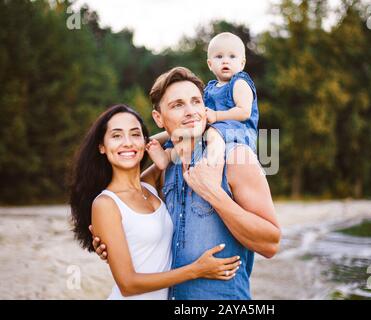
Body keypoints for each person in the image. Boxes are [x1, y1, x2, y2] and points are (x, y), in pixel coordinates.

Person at [92, 67, 281, 300]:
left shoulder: (235, 158)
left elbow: (270, 243)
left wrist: (214, 194)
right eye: (178, 105)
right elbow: (131, 211)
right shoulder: (165, 170)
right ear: (158, 118)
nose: (191, 111)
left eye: (196, 101)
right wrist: (106, 241)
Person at [69, 104, 241, 300]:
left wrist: (213, 133)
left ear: (145, 142)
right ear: (101, 146)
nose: (127, 143)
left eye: (134, 134)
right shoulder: (106, 204)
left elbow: (177, 134)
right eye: (116, 136)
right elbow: (128, 284)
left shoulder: (149, 185)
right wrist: (196, 270)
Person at [148, 32, 258, 170]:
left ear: (242, 63)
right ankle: (167, 156)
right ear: (210, 64)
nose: (225, 61)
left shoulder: (240, 83)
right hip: (213, 131)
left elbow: (244, 112)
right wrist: (148, 139)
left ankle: (212, 169)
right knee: (182, 139)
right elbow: (194, 121)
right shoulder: (210, 88)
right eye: (219, 56)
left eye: (232, 56)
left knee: (212, 133)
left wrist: (217, 116)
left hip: (238, 132)